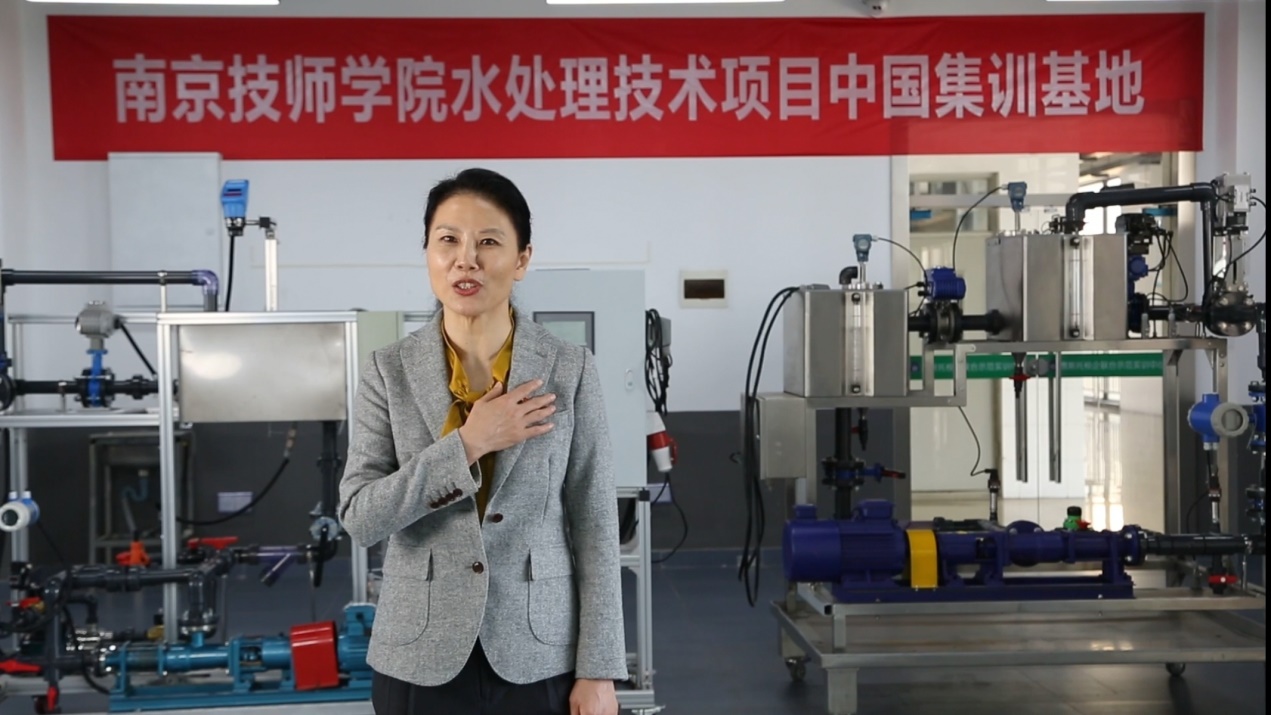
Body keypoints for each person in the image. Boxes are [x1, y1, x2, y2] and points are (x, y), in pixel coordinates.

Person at [338, 168, 627, 715]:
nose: (465, 260)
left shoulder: (569, 368)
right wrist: (468, 444)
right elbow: (360, 518)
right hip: (419, 654)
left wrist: (599, 669)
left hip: (537, 652)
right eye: (448, 240)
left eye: (488, 242)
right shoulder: (387, 372)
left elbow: (594, 525)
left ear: (521, 260)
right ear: (428, 253)